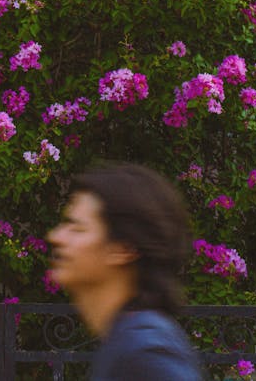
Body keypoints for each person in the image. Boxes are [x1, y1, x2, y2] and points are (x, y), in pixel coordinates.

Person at [47, 162, 204, 380]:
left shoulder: (145, 352)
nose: (56, 237)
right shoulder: (125, 340)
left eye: (77, 228)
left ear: (123, 249)